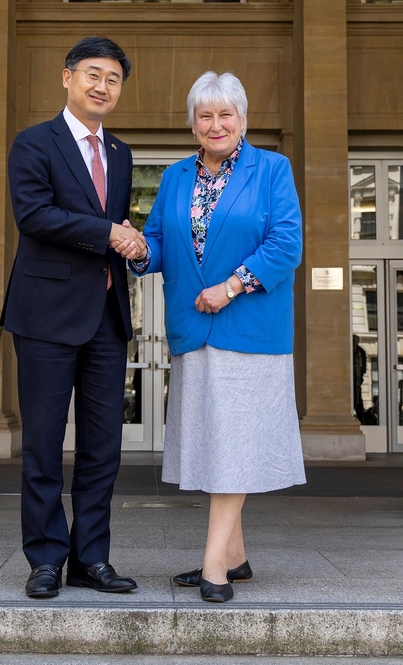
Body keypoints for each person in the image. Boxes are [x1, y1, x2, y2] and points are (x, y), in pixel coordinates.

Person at [130, 71, 306, 602]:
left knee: (231, 448)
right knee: (214, 444)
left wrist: (230, 287)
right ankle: (236, 556)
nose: (215, 124)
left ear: (243, 120)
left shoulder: (272, 169)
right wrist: (137, 249)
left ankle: (214, 567)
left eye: (225, 114)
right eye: (205, 116)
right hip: (193, 330)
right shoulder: (175, 177)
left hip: (248, 331)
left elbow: (286, 243)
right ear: (191, 124)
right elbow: (160, 243)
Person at [0, 36, 147, 599]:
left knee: (102, 448)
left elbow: (112, 221)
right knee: (41, 445)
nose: (102, 86)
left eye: (113, 79)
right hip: (45, 317)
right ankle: (44, 558)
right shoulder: (34, 143)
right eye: (93, 74)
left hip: (107, 318)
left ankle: (91, 558)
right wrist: (108, 231)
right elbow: (34, 215)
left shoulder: (121, 153)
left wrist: (129, 239)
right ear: (67, 77)